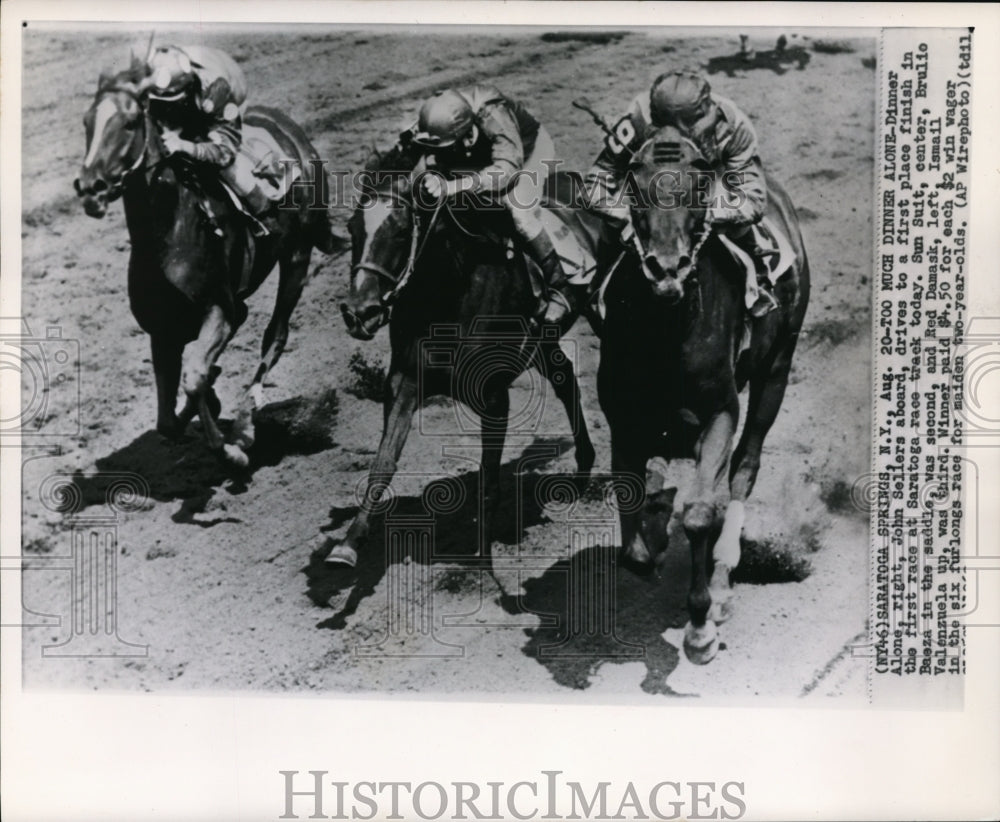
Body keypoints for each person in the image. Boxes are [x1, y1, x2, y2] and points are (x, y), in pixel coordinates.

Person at [585, 69, 778, 317]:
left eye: (680, 128)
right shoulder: (635, 119)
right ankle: (601, 277)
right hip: (650, 175)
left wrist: (712, 213)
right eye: (662, 126)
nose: (670, 135)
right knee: (612, 221)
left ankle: (759, 279)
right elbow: (596, 180)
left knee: (737, 222)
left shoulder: (732, 126)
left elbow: (754, 200)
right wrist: (619, 212)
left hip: (709, 175)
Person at [405, 87, 575, 327]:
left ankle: (560, 286)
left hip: (526, 153)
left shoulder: (493, 113)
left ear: (468, 135)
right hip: (483, 154)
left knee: (519, 211)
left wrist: (454, 186)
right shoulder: (438, 120)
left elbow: (507, 171)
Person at [143, 45, 275, 231]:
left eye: (176, 101)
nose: (170, 107)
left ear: (189, 88)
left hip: (219, 122)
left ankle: (267, 218)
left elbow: (225, 152)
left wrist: (185, 146)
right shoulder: (152, 85)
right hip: (188, 116)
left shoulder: (216, 90)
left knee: (236, 174)